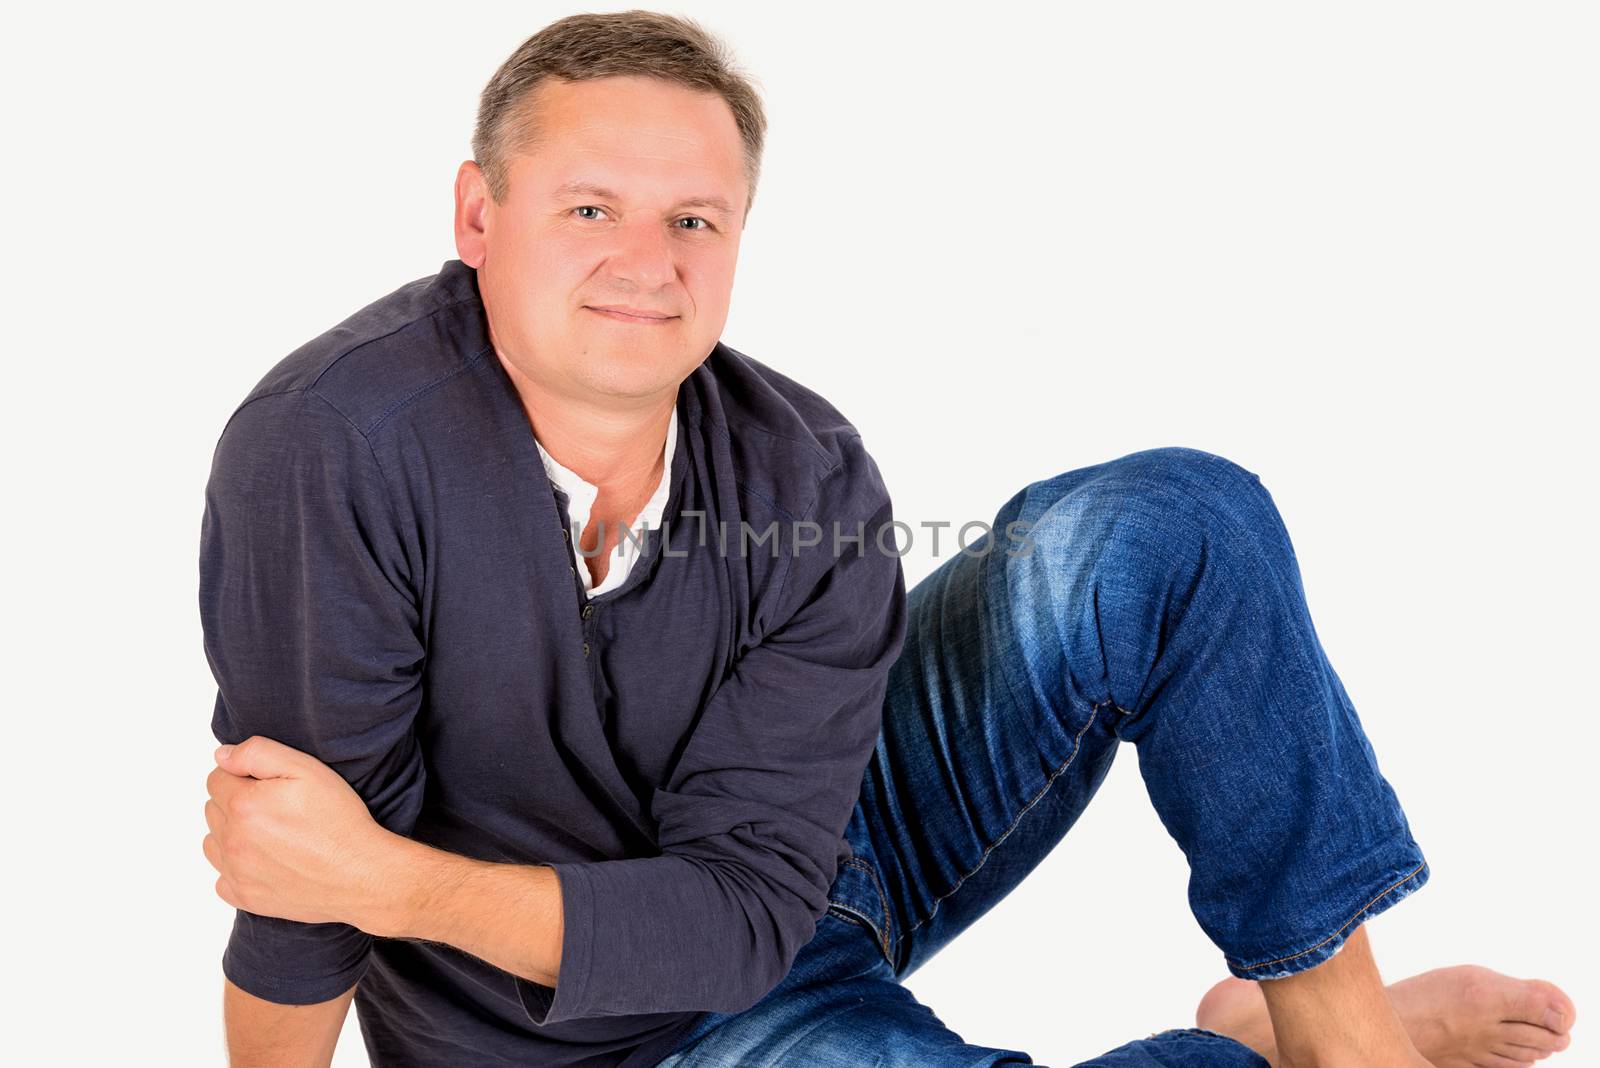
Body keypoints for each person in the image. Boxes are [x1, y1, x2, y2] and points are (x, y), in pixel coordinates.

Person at [199, 11, 1576, 1068]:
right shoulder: (335, 450)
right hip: (614, 1042)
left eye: (694, 218)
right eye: (588, 209)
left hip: (783, 863)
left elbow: (717, 909)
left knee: (1177, 524)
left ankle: (1345, 1037)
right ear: (477, 218)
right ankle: (1244, 1048)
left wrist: (378, 879)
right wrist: (343, 884)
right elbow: (298, 877)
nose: (648, 261)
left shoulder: (805, 466)